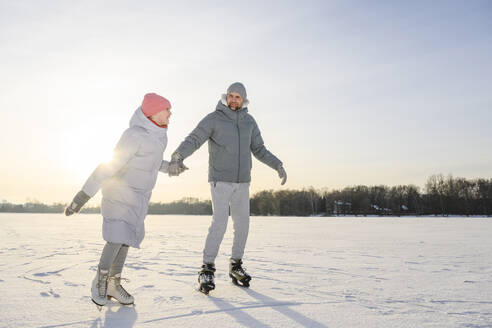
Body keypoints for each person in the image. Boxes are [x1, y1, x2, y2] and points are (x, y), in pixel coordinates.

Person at [65, 93, 185, 306]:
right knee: (115, 238)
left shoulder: (159, 137)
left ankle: (113, 283)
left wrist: (171, 168)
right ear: (154, 111)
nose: (170, 113)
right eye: (167, 109)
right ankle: (99, 281)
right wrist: (82, 196)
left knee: (126, 240)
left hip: (138, 197)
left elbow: (152, 162)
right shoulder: (134, 134)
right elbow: (109, 164)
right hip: (119, 192)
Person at [168, 82, 287, 294]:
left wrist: (277, 164)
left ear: (244, 100)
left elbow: (259, 149)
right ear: (226, 97)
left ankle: (236, 265)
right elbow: (194, 138)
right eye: (231, 96)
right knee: (220, 222)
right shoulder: (214, 118)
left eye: (237, 97)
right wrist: (178, 155)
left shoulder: (250, 122)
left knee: (243, 224)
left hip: (242, 181)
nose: (233, 100)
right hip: (220, 180)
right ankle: (207, 267)